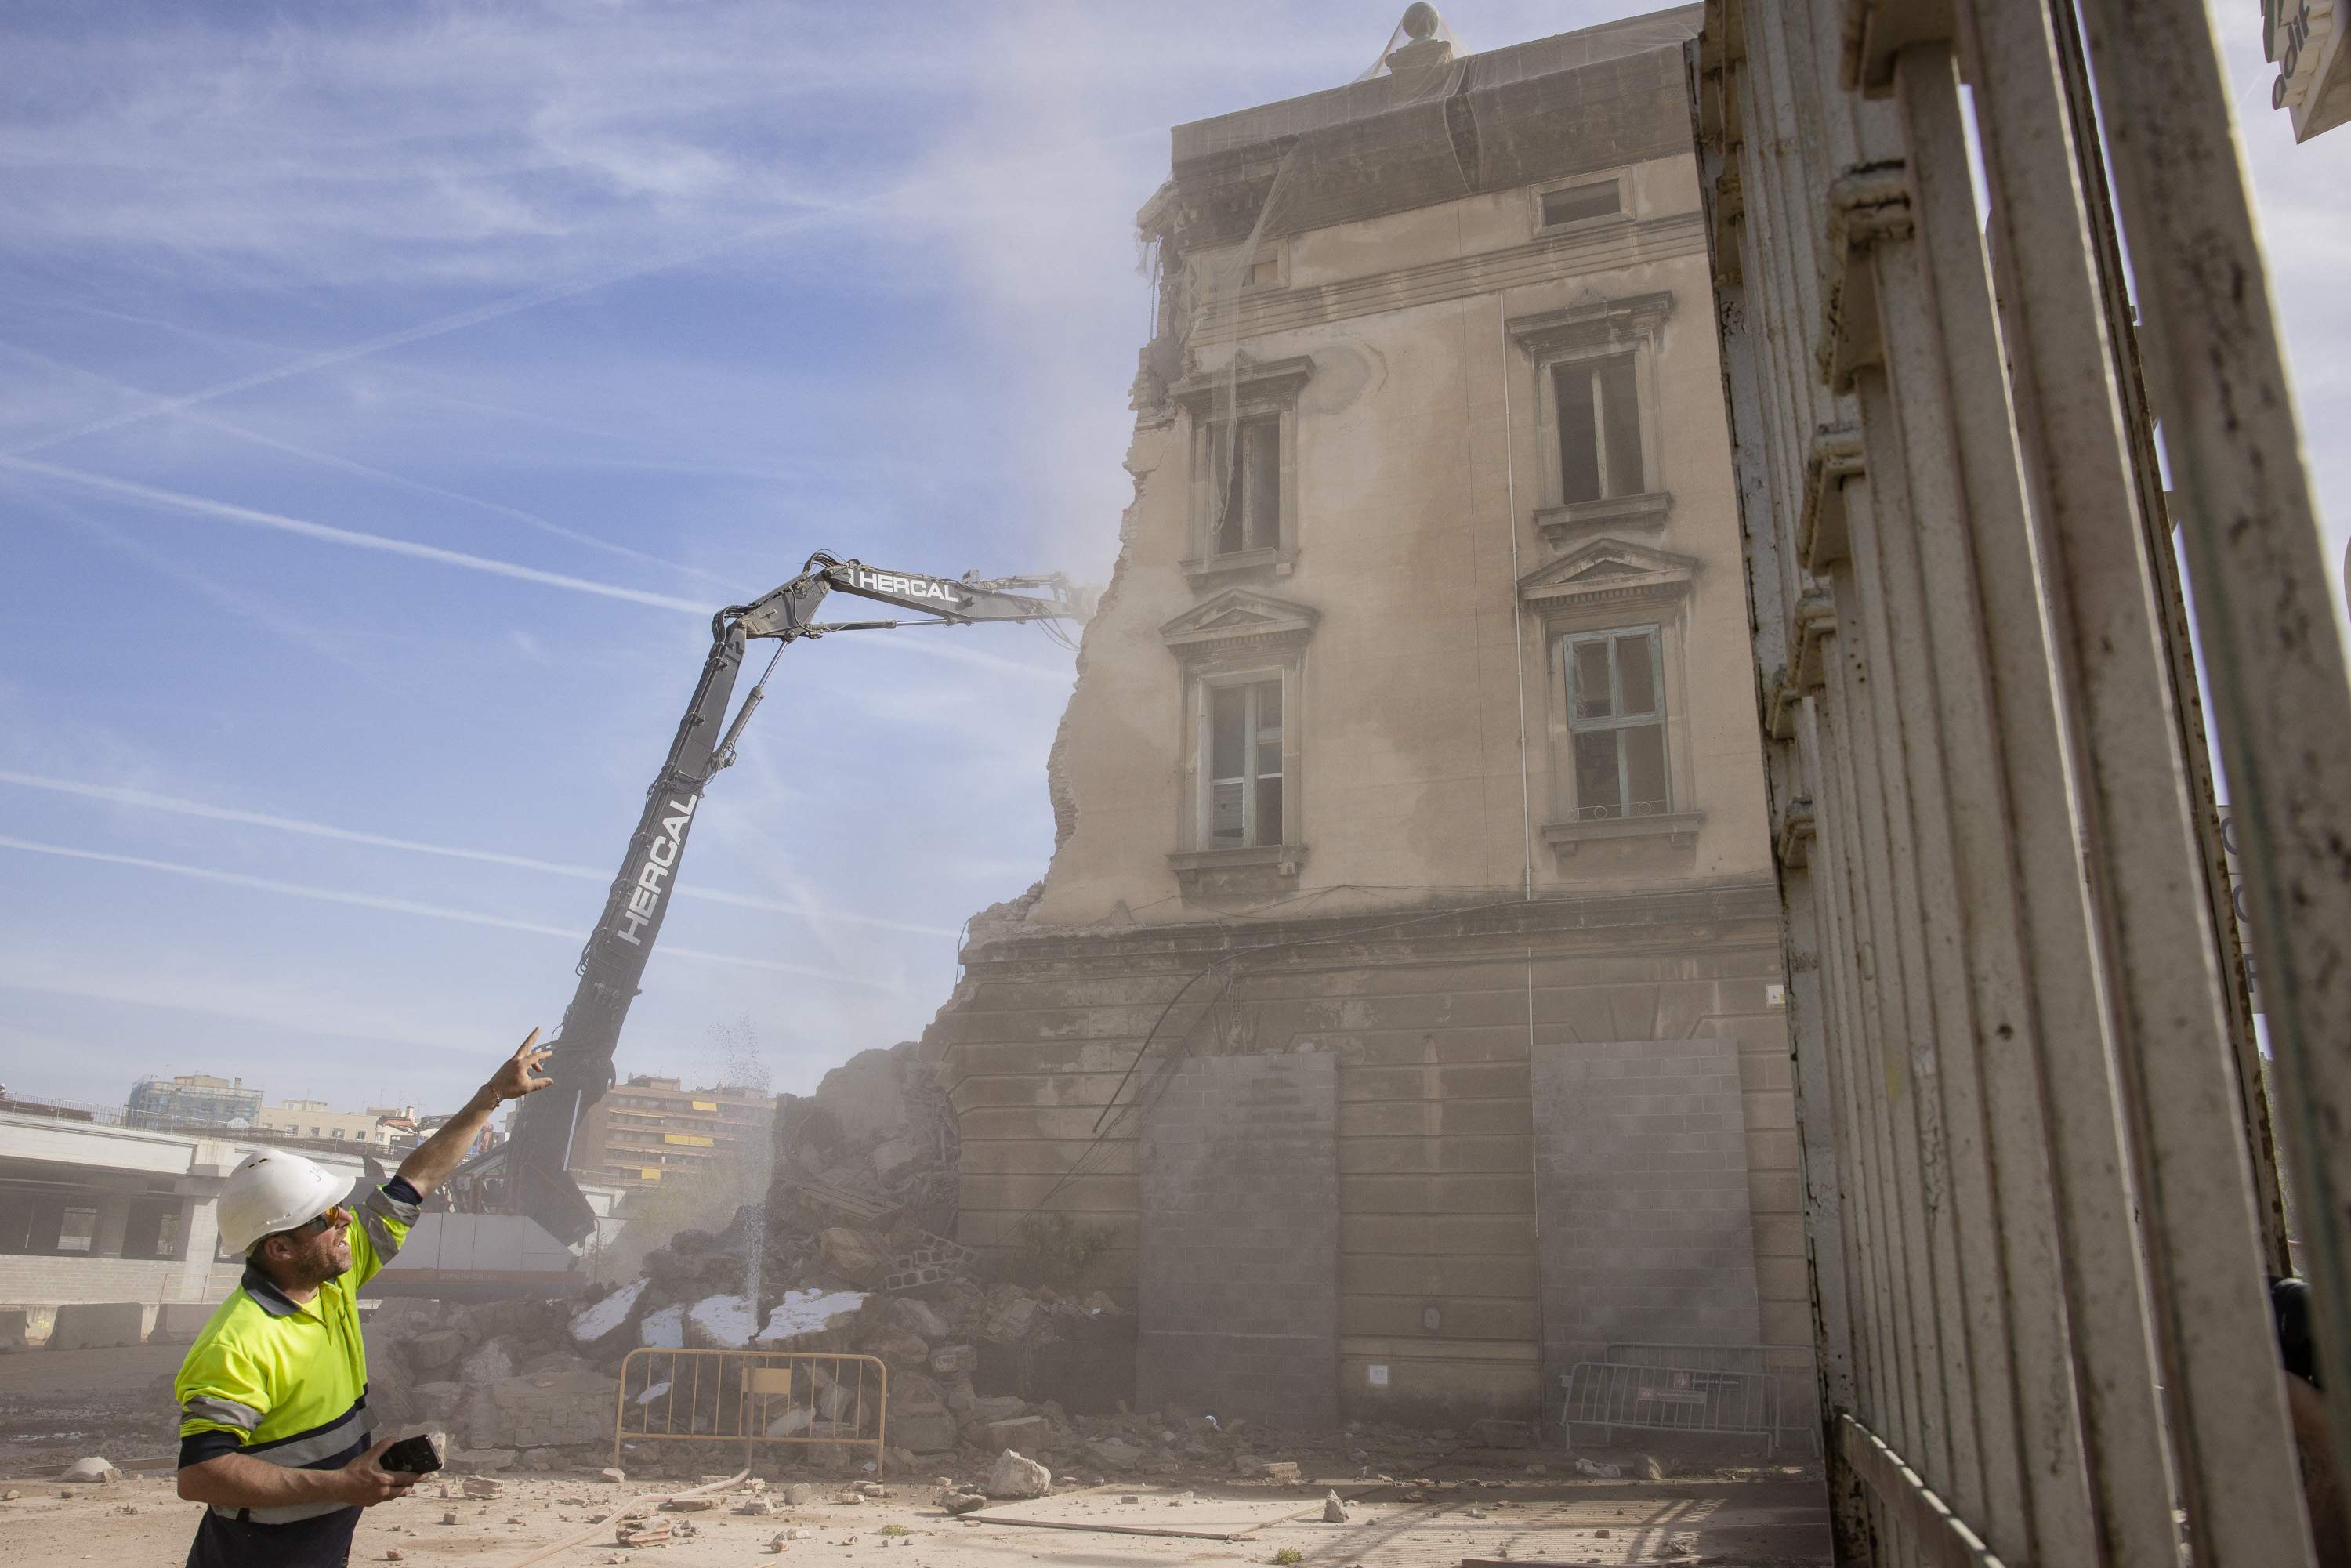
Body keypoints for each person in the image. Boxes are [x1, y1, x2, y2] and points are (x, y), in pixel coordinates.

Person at [172, 1029, 553, 1568]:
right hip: (259, 1554)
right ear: (280, 1247)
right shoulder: (241, 1340)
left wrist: (491, 1094)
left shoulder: (333, 1277)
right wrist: (340, 1483)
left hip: (322, 1540)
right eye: (328, 1216)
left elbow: (415, 1178)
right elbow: (200, 1473)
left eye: (341, 1205)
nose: (347, 1218)